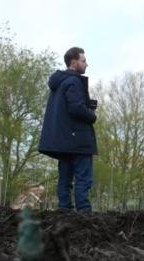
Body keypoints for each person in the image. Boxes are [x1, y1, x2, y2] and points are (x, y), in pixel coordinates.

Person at [39, 47, 98, 213]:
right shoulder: (74, 81)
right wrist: (92, 115)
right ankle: (84, 214)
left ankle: (64, 211)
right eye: (84, 61)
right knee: (83, 179)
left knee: (65, 179)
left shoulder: (59, 83)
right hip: (79, 140)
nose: (87, 64)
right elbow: (76, 109)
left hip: (64, 142)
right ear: (74, 62)